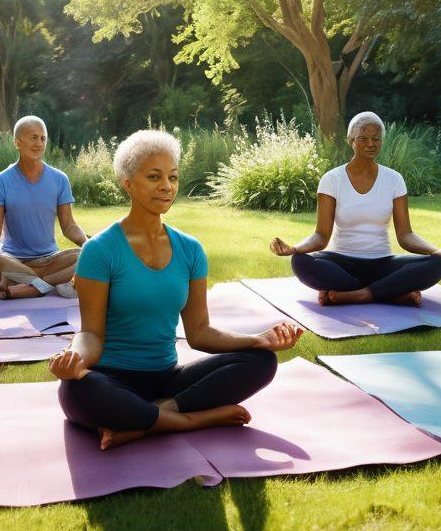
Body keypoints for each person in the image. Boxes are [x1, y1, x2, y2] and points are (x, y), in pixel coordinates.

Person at [52, 129, 303, 450]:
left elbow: (199, 332)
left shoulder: (190, 249)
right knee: (77, 389)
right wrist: (75, 359)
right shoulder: (99, 250)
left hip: (167, 380)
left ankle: (150, 419)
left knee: (261, 361)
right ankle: (193, 419)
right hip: (110, 379)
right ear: (127, 183)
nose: (166, 186)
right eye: (154, 177)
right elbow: (92, 336)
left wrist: (257, 340)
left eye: (172, 177)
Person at [269, 111, 441, 306]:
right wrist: (294, 248)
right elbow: (321, 236)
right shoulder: (332, 179)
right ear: (351, 140)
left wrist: (438, 251)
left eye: (376, 139)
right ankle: (391, 293)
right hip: (340, 263)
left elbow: (406, 235)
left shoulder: (394, 179)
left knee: (437, 264)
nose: (370, 144)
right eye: (363, 138)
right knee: (300, 262)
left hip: (383, 263)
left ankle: (359, 295)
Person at [0, 115, 86, 300]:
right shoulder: (0, 181)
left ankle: (34, 285)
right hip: (13, 260)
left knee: (88, 255)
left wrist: (89, 245)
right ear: (17, 142)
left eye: (43, 138)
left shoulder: (60, 179)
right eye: (33, 137)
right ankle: (46, 283)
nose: (39, 143)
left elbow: (69, 226)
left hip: (51, 259)